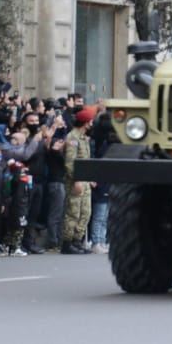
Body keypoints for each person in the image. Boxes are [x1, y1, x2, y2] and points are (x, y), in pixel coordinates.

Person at [62, 107, 96, 254]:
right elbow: (70, 162)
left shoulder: (83, 137)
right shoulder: (73, 137)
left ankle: (77, 240)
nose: (92, 123)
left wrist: (89, 178)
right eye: (91, 121)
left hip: (84, 180)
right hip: (76, 181)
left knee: (85, 212)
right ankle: (67, 243)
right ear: (85, 122)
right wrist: (77, 179)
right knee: (73, 212)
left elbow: (85, 161)